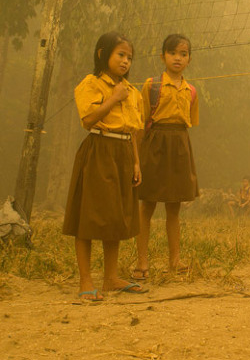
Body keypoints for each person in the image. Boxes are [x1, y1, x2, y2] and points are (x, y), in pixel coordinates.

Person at [62, 32, 148, 300]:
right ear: (102, 55)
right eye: (120, 55)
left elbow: (134, 130)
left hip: (123, 152)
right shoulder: (92, 84)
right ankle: (85, 280)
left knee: (116, 216)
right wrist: (113, 98)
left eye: (129, 57)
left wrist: (136, 162)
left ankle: (111, 277)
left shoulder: (133, 91)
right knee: (89, 215)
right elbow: (88, 119)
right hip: (99, 149)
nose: (125, 62)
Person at [133, 34, 199, 280]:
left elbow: (189, 125)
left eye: (183, 54)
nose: (178, 58)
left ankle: (175, 260)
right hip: (154, 144)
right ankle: (141, 261)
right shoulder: (151, 86)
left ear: (189, 59)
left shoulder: (191, 91)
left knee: (174, 207)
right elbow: (140, 124)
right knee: (147, 204)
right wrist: (136, 159)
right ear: (163, 57)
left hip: (180, 145)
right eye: (173, 53)